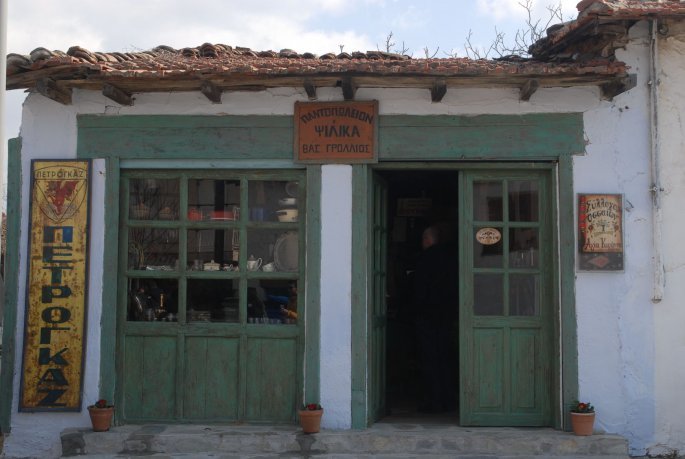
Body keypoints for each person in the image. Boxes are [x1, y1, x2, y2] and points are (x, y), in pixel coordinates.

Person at [414, 225, 459, 413]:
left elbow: (418, 289)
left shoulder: (424, 259)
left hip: (428, 316)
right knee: (446, 358)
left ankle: (434, 400)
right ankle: (448, 399)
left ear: (426, 240)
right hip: (447, 315)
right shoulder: (451, 258)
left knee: (430, 359)